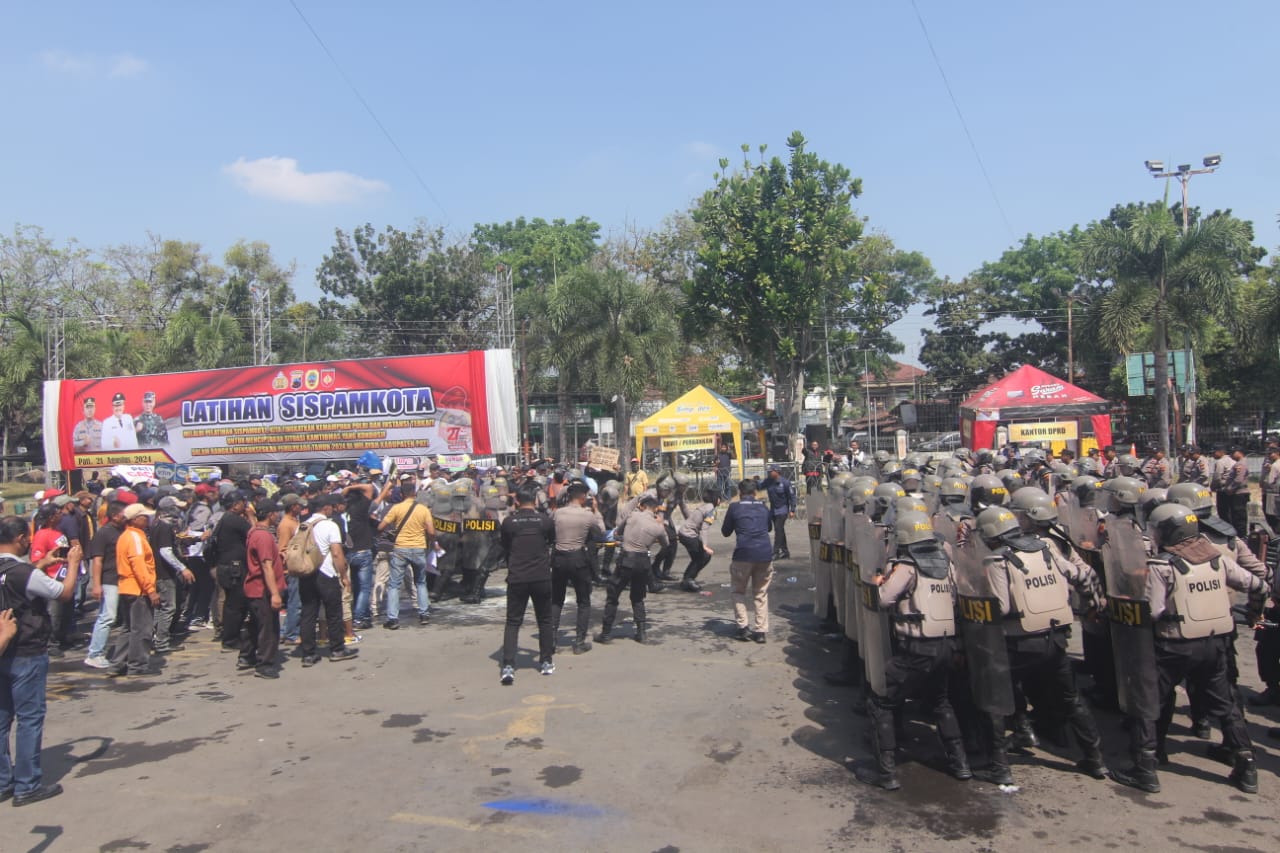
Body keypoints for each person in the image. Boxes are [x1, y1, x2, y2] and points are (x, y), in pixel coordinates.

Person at [1111, 504, 1267, 794]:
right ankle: (1246, 766)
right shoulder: (1217, 559)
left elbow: (1153, 611)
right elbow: (1258, 585)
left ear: (1168, 532)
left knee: (1150, 701)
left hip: (1173, 646)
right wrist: (1254, 613)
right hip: (1214, 645)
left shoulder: (1162, 566)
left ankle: (1146, 766)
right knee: (1226, 705)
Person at [856, 512, 969, 790]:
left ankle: (886, 773)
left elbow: (884, 599)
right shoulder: (946, 564)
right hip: (946, 645)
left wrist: (877, 581)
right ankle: (961, 764)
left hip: (916, 650)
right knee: (941, 702)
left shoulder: (907, 566)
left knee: (881, 699)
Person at [0, 515, 80, 805]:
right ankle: (27, 784)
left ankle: (3, 782)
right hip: (27, 650)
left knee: (2, 719)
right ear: (21, 539)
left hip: (3, 649)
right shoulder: (24, 573)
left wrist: (41, 564)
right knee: (29, 719)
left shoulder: (18, 571)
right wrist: (72, 563)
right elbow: (64, 592)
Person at [498, 486, 557, 684]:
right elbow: (552, 541)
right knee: (545, 620)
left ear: (517, 502)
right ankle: (546, 661)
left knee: (513, 622)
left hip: (517, 577)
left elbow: (505, 546)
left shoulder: (509, 522)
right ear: (536, 501)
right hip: (541, 576)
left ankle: (508, 665)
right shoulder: (545, 521)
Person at [597, 494, 668, 645]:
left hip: (626, 560)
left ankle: (606, 633)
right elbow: (666, 544)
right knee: (637, 597)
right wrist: (659, 527)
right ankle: (641, 633)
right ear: (655, 510)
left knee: (613, 594)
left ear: (642, 506)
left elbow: (618, 532)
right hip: (643, 562)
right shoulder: (658, 526)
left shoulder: (632, 515)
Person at [299, 495, 358, 666]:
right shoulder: (330, 525)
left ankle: (308, 653)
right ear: (325, 508)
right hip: (326, 574)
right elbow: (337, 553)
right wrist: (344, 576)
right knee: (334, 612)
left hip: (306, 573)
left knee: (308, 613)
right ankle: (337, 649)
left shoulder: (302, 526)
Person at [551, 483, 605, 655]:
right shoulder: (587, 515)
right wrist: (596, 510)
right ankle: (579, 642)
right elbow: (601, 533)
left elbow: (549, 532)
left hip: (559, 558)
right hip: (578, 559)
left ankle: (551, 640)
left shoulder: (557, 513)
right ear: (583, 497)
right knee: (583, 601)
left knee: (556, 600)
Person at [109, 503, 159, 677]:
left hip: (127, 587)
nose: (147, 520)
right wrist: (150, 590)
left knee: (129, 628)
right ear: (135, 519)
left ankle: (117, 664)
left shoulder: (126, 536)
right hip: (138, 589)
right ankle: (137, 666)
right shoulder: (135, 537)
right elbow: (138, 565)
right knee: (141, 629)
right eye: (144, 517)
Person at [721, 478, 773, 643]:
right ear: (755, 492)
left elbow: (725, 532)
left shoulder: (734, 507)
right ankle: (760, 631)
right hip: (764, 554)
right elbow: (769, 527)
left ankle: (743, 627)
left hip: (743, 554)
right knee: (760, 593)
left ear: (740, 493)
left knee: (738, 591)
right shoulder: (763, 507)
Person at [377, 483, 435, 629]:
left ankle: (393, 619)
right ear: (414, 494)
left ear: (402, 495)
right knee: (420, 582)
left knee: (394, 585)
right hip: (419, 547)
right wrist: (430, 543)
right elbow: (431, 531)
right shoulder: (423, 509)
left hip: (400, 548)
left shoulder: (396, 508)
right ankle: (424, 614)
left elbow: (381, 527)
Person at [242, 500, 284, 679]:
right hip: (262, 589)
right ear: (270, 514)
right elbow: (266, 566)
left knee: (255, 625)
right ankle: (264, 664)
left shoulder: (255, 531)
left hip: (255, 587)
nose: (278, 516)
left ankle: (246, 656)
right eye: (276, 512)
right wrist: (274, 594)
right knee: (268, 628)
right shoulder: (263, 536)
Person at [84, 501, 127, 669]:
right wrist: (96, 585)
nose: (126, 517)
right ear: (115, 516)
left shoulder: (123, 530)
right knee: (107, 617)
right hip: (109, 580)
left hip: (122, 579)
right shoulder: (103, 533)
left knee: (118, 616)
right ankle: (94, 654)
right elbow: (97, 561)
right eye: (124, 514)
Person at [148, 496, 194, 653]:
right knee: (168, 607)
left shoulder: (156, 525)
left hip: (159, 572)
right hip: (164, 573)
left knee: (160, 608)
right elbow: (165, 551)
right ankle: (161, 641)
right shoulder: (165, 527)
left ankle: (154, 638)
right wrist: (182, 568)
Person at [213, 492, 253, 653]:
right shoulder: (234, 519)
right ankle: (230, 640)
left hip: (226, 566)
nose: (245, 506)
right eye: (243, 503)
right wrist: (251, 516)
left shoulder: (225, 519)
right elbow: (254, 533)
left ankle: (231, 637)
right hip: (234, 568)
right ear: (235, 505)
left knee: (233, 603)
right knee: (235, 605)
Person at [678, 488, 720, 592]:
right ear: (717, 499)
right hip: (689, 536)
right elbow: (705, 528)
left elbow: (689, 516)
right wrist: (704, 546)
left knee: (697, 558)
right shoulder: (711, 510)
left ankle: (687, 579)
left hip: (684, 534)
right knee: (704, 556)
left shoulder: (703, 507)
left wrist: (681, 502)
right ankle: (688, 579)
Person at [762, 464, 796, 560]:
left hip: (782, 509)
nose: (769, 473)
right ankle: (785, 552)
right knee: (780, 530)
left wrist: (792, 510)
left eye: (771, 471)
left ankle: (775, 552)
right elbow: (759, 486)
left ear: (777, 472)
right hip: (773, 510)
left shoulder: (785, 483)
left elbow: (792, 497)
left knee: (778, 530)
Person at [1220, 447, 1250, 538]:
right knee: (1235, 515)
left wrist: (1230, 488)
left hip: (1239, 493)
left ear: (1239, 452)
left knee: (1239, 516)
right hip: (1237, 492)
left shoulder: (1241, 464)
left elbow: (1238, 480)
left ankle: (1241, 535)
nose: (1231, 455)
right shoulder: (1239, 463)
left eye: (1233, 453)